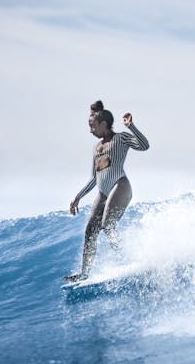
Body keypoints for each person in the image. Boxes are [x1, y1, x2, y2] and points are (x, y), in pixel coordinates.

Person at [64, 109, 149, 282]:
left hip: (120, 185)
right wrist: (78, 197)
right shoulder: (96, 148)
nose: (90, 130)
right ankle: (84, 273)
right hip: (103, 192)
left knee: (107, 225)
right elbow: (94, 178)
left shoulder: (121, 138)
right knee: (90, 231)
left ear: (104, 124)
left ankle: (128, 262)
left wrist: (131, 126)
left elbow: (144, 145)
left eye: (92, 126)